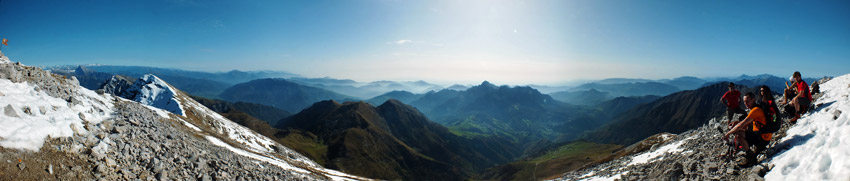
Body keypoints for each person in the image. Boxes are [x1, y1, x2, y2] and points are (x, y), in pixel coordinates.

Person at [724, 92, 772, 166]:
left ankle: (751, 158)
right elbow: (746, 122)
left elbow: (741, 125)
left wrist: (728, 133)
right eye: (744, 101)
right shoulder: (757, 108)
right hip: (764, 135)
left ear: (753, 100)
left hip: (763, 138)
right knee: (740, 133)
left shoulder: (755, 110)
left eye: (747, 101)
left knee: (738, 133)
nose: (745, 103)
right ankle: (752, 152)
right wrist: (737, 123)